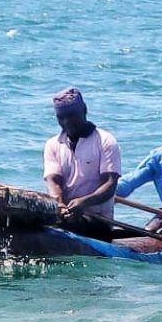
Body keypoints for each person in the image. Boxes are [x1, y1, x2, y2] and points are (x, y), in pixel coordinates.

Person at [43, 87, 121, 241]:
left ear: (84, 110)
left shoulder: (106, 141)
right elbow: (54, 183)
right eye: (61, 117)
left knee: (70, 225)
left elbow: (110, 185)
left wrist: (83, 203)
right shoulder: (52, 144)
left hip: (99, 220)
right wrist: (60, 205)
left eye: (71, 116)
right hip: (65, 215)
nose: (67, 122)